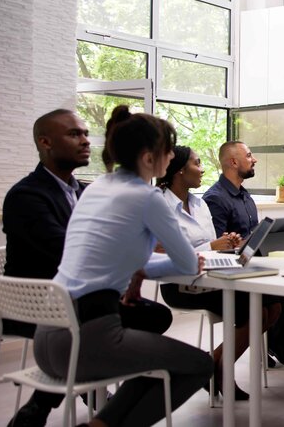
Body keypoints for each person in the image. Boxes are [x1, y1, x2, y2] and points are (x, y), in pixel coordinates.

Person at [32, 106, 212, 427]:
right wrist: (188, 261)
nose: (172, 156)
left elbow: (139, 262)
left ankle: (100, 424)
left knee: (160, 361)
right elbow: (185, 264)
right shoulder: (148, 197)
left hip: (48, 338)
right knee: (199, 365)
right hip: (87, 339)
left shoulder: (97, 187)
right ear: (147, 158)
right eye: (167, 150)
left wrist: (151, 266)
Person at [2, 109, 173, 427]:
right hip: (39, 305)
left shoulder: (85, 190)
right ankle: (85, 401)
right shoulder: (25, 196)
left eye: (85, 133)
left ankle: (51, 404)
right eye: (74, 134)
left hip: (81, 300)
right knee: (146, 319)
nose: (85, 141)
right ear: (46, 142)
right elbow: (69, 252)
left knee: (155, 315)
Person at [157, 145, 281, 401]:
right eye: (197, 163)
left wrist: (227, 242)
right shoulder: (159, 204)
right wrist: (212, 246)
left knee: (273, 305)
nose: (203, 169)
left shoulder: (199, 203)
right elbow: (167, 252)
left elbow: (211, 244)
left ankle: (213, 365)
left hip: (211, 276)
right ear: (180, 170)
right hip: (181, 285)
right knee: (257, 308)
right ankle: (221, 370)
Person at [203, 140, 284, 366]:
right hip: (234, 274)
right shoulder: (214, 198)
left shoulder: (245, 196)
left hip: (256, 266)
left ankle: (275, 336)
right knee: (282, 297)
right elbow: (219, 247)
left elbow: (252, 238)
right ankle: (273, 338)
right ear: (234, 162)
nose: (254, 159)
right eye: (249, 155)